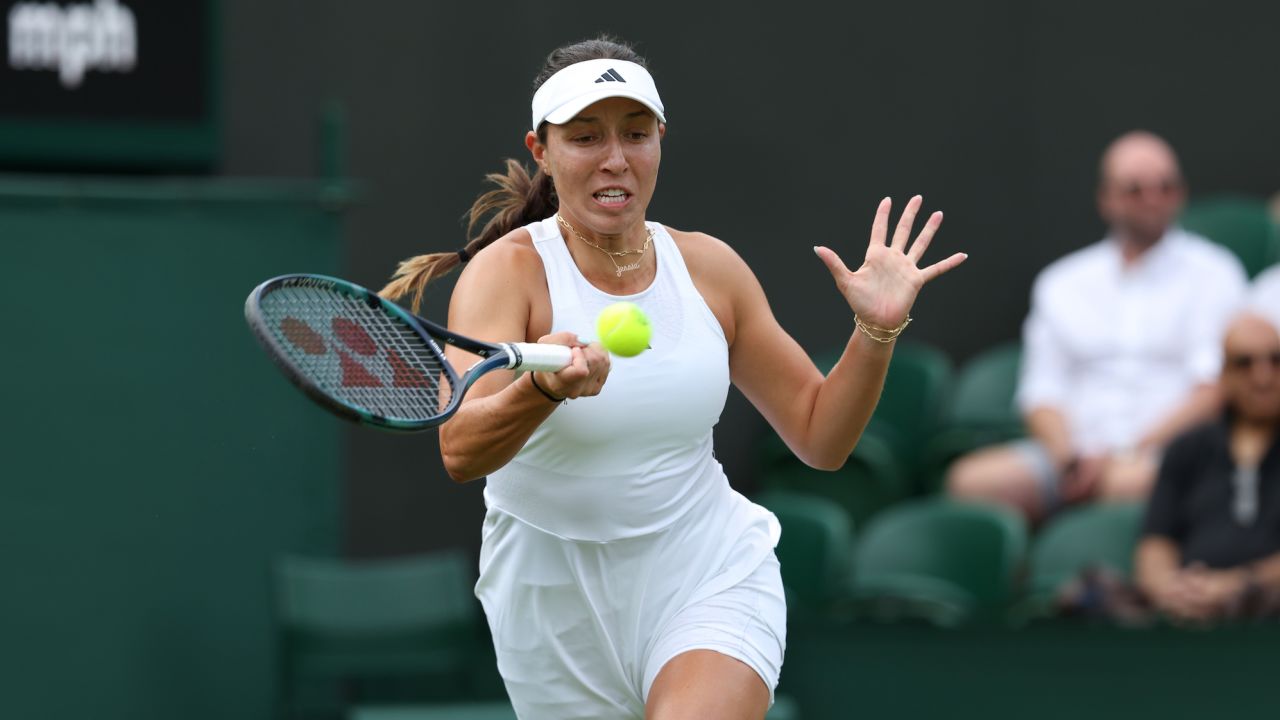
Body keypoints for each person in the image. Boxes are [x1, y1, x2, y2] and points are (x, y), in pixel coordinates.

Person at [378, 36, 964, 720]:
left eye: (635, 133)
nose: (615, 158)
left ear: (661, 139)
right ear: (542, 151)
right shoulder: (508, 274)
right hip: (550, 605)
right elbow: (461, 450)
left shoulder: (710, 268)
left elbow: (819, 436)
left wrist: (875, 332)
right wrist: (543, 391)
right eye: (586, 136)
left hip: (704, 571)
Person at [947, 131, 1247, 523]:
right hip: (1070, 454)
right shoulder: (1063, 282)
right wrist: (1067, 456)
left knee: (1129, 484)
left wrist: (1121, 452)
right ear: (1105, 199)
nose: (1153, 198)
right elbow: (1041, 392)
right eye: (1135, 189)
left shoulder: (1215, 272)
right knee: (970, 482)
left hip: (1160, 451)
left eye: (1166, 186)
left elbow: (1210, 392)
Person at [1134, 311, 1280, 623]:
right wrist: (1171, 590)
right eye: (1245, 363)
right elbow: (1156, 541)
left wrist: (1238, 586)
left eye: (1276, 360)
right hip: (1189, 618)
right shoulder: (1187, 448)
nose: (1263, 377)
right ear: (1224, 374)